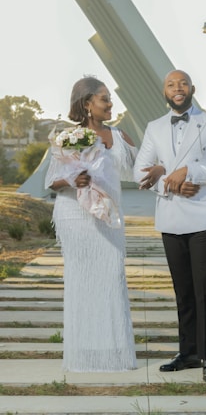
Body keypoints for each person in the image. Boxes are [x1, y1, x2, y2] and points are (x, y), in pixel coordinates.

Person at [133, 70, 206, 382]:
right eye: (170, 84)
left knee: (205, 287)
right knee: (183, 290)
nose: (177, 88)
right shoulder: (154, 128)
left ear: (192, 88)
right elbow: (141, 172)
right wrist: (171, 182)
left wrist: (190, 171)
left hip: (205, 216)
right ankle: (188, 352)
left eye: (183, 83)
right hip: (171, 216)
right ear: (164, 91)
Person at [45, 76, 137, 372]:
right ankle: (83, 352)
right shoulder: (66, 139)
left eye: (109, 99)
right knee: (81, 282)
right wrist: (75, 179)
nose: (111, 104)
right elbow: (52, 183)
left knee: (112, 278)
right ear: (87, 104)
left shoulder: (120, 136)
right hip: (74, 216)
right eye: (104, 99)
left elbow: (140, 169)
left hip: (109, 217)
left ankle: (113, 351)